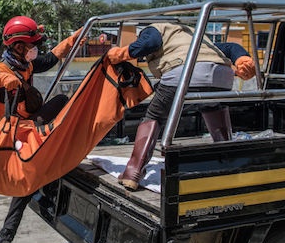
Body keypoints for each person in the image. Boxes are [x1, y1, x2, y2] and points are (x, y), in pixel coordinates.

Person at [0, 15, 85, 243]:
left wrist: (75, 39)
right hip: (11, 137)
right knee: (28, 178)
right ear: (18, 46)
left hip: (30, 125)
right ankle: (5, 236)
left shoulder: (26, 64)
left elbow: (51, 58)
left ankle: (3, 238)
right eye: (32, 45)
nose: (35, 50)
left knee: (62, 100)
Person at [107, 22, 256, 191]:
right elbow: (230, 47)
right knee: (212, 105)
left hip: (183, 73)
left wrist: (120, 54)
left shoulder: (156, 28)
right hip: (221, 76)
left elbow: (150, 43)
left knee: (155, 116)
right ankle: (228, 163)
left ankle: (133, 171)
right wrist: (243, 59)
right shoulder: (196, 34)